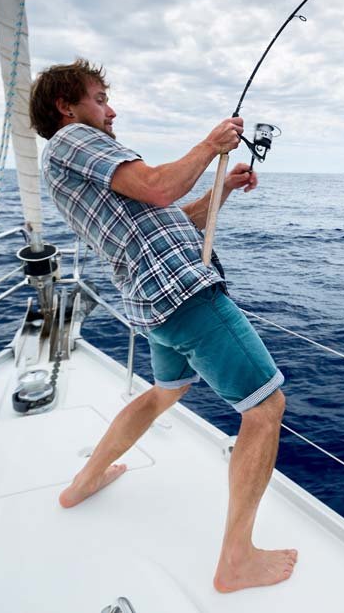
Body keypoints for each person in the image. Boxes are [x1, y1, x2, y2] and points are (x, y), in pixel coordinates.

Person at [29, 58, 296, 593]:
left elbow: (169, 217)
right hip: (184, 294)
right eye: (100, 97)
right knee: (265, 408)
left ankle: (83, 484)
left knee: (162, 394)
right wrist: (210, 145)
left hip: (153, 304)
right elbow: (157, 187)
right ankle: (236, 559)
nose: (111, 109)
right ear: (67, 106)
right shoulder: (73, 140)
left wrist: (218, 190)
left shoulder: (69, 166)